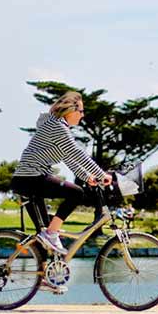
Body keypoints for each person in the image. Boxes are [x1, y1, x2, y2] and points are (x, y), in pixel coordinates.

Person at [11, 91, 111, 294]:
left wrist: (87, 176)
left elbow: (69, 158)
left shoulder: (57, 126)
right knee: (76, 193)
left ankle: (42, 277)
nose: (82, 116)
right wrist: (102, 174)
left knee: (42, 236)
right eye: (81, 111)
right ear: (71, 109)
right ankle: (52, 232)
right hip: (30, 179)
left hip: (32, 178)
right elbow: (76, 153)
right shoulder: (57, 126)